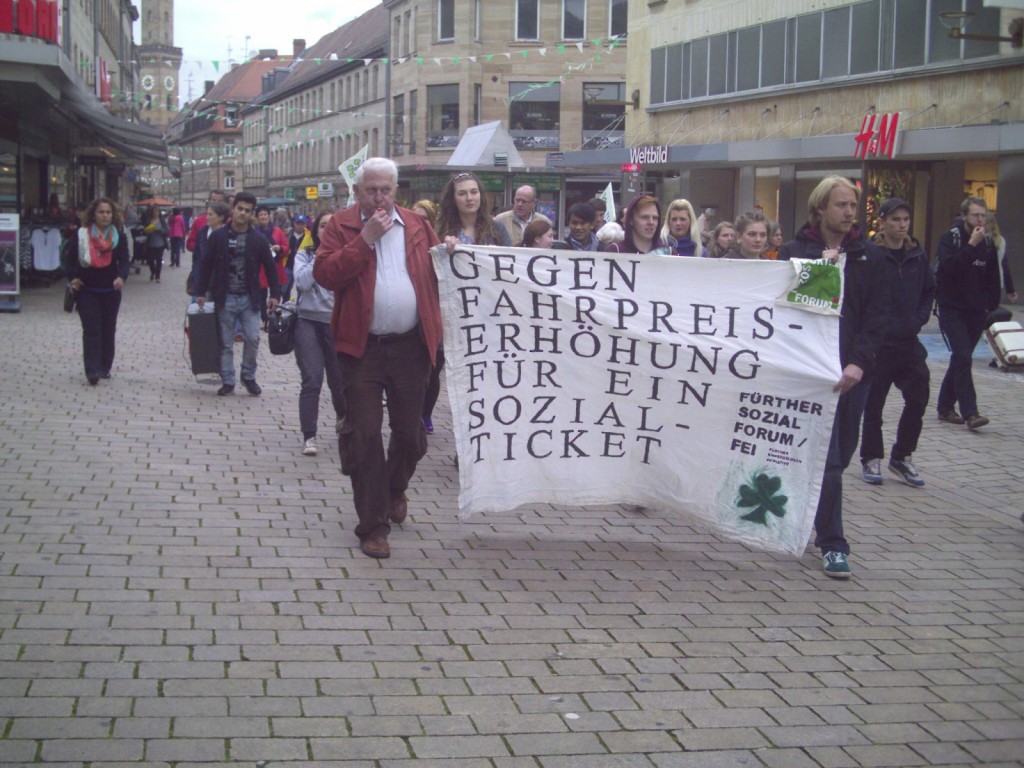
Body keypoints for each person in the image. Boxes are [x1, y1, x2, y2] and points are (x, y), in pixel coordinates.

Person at [313, 157, 443, 559]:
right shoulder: (342, 225)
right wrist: (364, 239)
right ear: (357, 191)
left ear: (396, 190)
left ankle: (394, 487)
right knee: (365, 434)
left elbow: (443, 271)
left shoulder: (417, 225)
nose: (379, 197)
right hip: (361, 349)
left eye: (386, 189)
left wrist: (452, 253)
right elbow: (326, 275)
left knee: (410, 435)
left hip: (410, 347)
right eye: (371, 189)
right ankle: (372, 526)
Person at [779, 175, 889, 579]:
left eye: (852, 207)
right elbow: (788, 312)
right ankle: (834, 544)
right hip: (811, 373)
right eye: (841, 205)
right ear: (821, 207)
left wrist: (859, 361)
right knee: (828, 458)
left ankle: (812, 515)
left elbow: (878, 315)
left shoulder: (869, 257)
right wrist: (818, 273)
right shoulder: (796, 251)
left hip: (853, 374)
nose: (848, 213)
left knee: (840, 455)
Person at [858, 198, 934, 488]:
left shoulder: (917, 255)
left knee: (918, 397)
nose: (901, 225)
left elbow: (928, 291)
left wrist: (918, 319)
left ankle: (902, 456)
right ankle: (870, 456)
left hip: (909, 341)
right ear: (883, 222)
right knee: (874, 403)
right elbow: (864, 295)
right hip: (879, 343)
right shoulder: (871, 254)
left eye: (905, 219)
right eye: (895, 220)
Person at [194, 192, 280, 396]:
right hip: (225, 297)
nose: (242, 213)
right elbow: (206, 265)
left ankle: (248, 375)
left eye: (247, 210)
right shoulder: (219, 236)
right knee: (225, 342)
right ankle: (228, 379)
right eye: (239, 208)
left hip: (250, 298)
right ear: (233, 209)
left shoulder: (257, 239)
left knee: (252, 338)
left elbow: (270, 267)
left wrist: (274, 294)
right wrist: (200, 291)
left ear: (252, 214)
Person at [934, 196, 1002, 430]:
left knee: (960, 359)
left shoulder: (988, 242)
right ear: (964, 216)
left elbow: (993, 275)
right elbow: (950, 269)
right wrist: (971, 246)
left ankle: (944, 406)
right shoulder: (950, 239)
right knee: (963, 356)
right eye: (975, 215)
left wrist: (990, 305)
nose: (980, 220)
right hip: (951, 307)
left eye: (983, 215)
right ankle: (971, 413)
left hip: (976, 310)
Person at [292, 211, 346, 457]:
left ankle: (344, 421)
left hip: (336, 324)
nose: (327, 230)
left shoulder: (346, 254)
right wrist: (319, 256)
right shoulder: (304, 254)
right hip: (308, 322)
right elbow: (302, 283)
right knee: (312, 379)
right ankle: (309, 436)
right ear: (316, 231)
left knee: (339, 381)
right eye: (323, 226)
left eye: (332, 226)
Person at [65, 197, 131, 385]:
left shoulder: (118, 235)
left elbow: (125, 261)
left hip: (111, 290)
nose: (105, 215)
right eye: (101, 212)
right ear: (93, 214)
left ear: (113, 215)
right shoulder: (81, 235)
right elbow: (69, 260)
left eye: (108, 212)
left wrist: (122, 277)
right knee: (92, 330)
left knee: (108, 329)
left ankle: (104, 366)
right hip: (87, 290)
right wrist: (73, 278)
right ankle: (92, 370)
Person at [437, 172, 512, 248]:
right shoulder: (441, 229)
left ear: (480, 195)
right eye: (462, 193)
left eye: (474, 192)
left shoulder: (497, 227)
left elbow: (511, 257)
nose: (469, 198)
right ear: (453, 198)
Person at [599, 193, 667, 254]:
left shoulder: (669, 253)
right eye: (644, 217)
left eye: (655, 218)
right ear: (631, 220)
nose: (651, 222)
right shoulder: (614, 251)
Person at [255, 205, 289, 326]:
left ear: (269, 217)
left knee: (276, 292)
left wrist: (279, 248)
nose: (263, 217)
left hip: (276, 266)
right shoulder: (255, 232)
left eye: (265, 214)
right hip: (260, 268)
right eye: (261, 215)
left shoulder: (277, 231)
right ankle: (264, 317)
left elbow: (286, 247)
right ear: (257, 218)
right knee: (261, 294)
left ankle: (274, 313)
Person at [189, 200, 230, 296]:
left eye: (210, 215)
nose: (207, 217)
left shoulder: (230, 234)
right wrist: (196, 276)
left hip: (224, 283)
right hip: (205, 281)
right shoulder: (202, 233)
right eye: (207, 214)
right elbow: (197, 257)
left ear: (221, 217)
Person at [985, 213, 1017, 302]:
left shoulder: (979, 239)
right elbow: (1004, 265)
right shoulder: (1001, 241)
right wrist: (1010, 289)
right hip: (997, 282)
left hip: (981, 282)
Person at [283, 215, 310, 303]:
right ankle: (284, 305)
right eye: (298, 223)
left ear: (305, 225)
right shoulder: (287, 234)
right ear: (294, 224)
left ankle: (299, 309)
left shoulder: (309, 236)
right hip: (289, 265)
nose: (300, 226)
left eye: (302, 224)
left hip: (301, 267)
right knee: (285, 289)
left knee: (301, 290)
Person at [141, 204, 167, 282]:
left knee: (159, 260)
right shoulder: (149, 220)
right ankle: (153, 272)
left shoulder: (162, 220)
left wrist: (160, 230)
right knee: (150, 260)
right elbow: (144, 230)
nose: (156, 213)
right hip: (150, 243)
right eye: (154, 211)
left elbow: (167, 230)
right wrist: (148, 230)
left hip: (160, 243)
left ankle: (157, 276)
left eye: (157, 211)